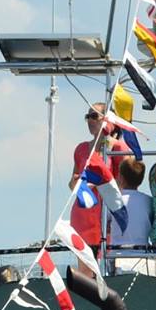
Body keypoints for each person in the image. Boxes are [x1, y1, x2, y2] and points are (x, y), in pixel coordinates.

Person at [70, 102, 112, 252]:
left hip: (106, 214)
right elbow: (71, 185)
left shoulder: (117, 149)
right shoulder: (81, 149)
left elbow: (123, 184)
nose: (90, 120)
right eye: (87, 117)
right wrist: (77, 182)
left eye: (94, 116)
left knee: (108, 262)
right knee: (85, 266)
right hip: (83, 213)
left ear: (106, 119)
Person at [105, 155, 153, 255]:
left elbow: (105, 227)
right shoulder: (149, 201)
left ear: (120, 177)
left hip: (117, 254)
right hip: (142, 255)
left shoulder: (112, 200)